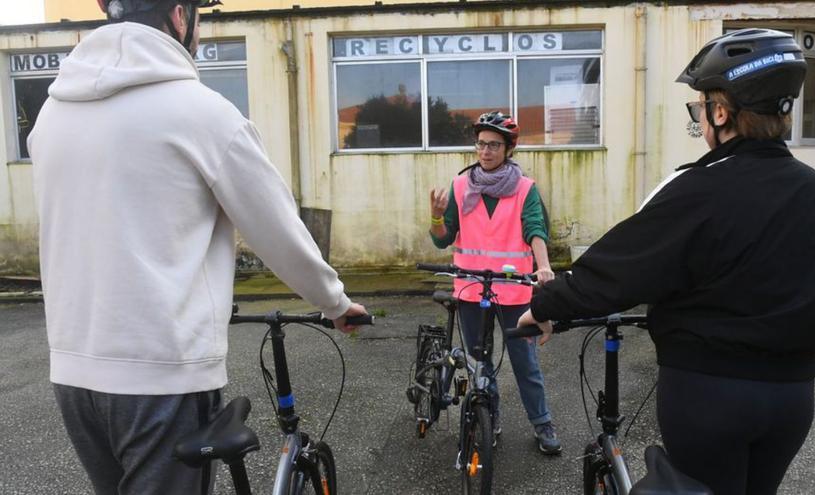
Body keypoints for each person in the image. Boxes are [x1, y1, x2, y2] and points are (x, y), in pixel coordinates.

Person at [27, 1, 367, 493]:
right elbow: (278, 230)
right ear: (180, 16)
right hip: (161, 376)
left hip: (73, 373)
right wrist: (334, 302)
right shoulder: (200, 112)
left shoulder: (52, 115)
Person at [518, 29, 815, 494]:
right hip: (791, 397)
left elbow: (620, 268)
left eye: (699, 108)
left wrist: (543, 307)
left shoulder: (697, 187)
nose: (700, 119)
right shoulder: (814, 188)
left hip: (708, 395)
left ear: (721, 111)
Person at [429, 111, 561, 454]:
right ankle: (490, 417)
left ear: (508, 149)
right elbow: (443, 238)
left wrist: (543, 267)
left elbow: (535, 229)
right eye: (481, 143)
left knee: (524, 362)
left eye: (493, 145)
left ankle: (542, 422)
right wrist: (434, 216)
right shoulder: (461, 186)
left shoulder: (524, 189)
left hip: (514, 290)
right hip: (471, 288)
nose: (485, 151)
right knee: (478, 361)